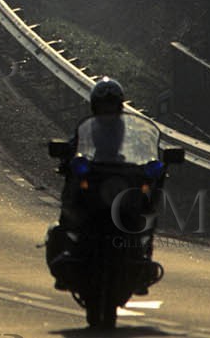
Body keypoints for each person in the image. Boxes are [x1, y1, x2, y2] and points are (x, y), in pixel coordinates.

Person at [45, 78, 126, 287]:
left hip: (119, 178)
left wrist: (148, 166)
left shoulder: (131, 130)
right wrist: (67, 160)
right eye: (103, 105)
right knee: (72, 204)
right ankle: (68, 250)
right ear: (95, 106)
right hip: (94, 176)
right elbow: (73, 147)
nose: (107, 110)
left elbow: (144, 150)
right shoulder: (87, 129)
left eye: (111, 104)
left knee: (139, 209)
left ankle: (138, 253)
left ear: (119, 106)